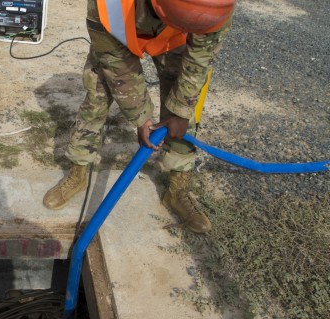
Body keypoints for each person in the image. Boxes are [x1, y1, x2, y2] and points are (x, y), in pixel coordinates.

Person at [43, 0, 235, 233]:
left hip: (175, 37)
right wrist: (141, 118)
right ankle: (78, 172)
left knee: (185, 110)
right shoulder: (108, 5)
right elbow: (117, 64)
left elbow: (198, 62)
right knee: (98, 96)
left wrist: (181, 110)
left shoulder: (217, 7)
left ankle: (177, 190)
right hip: (117, 34)